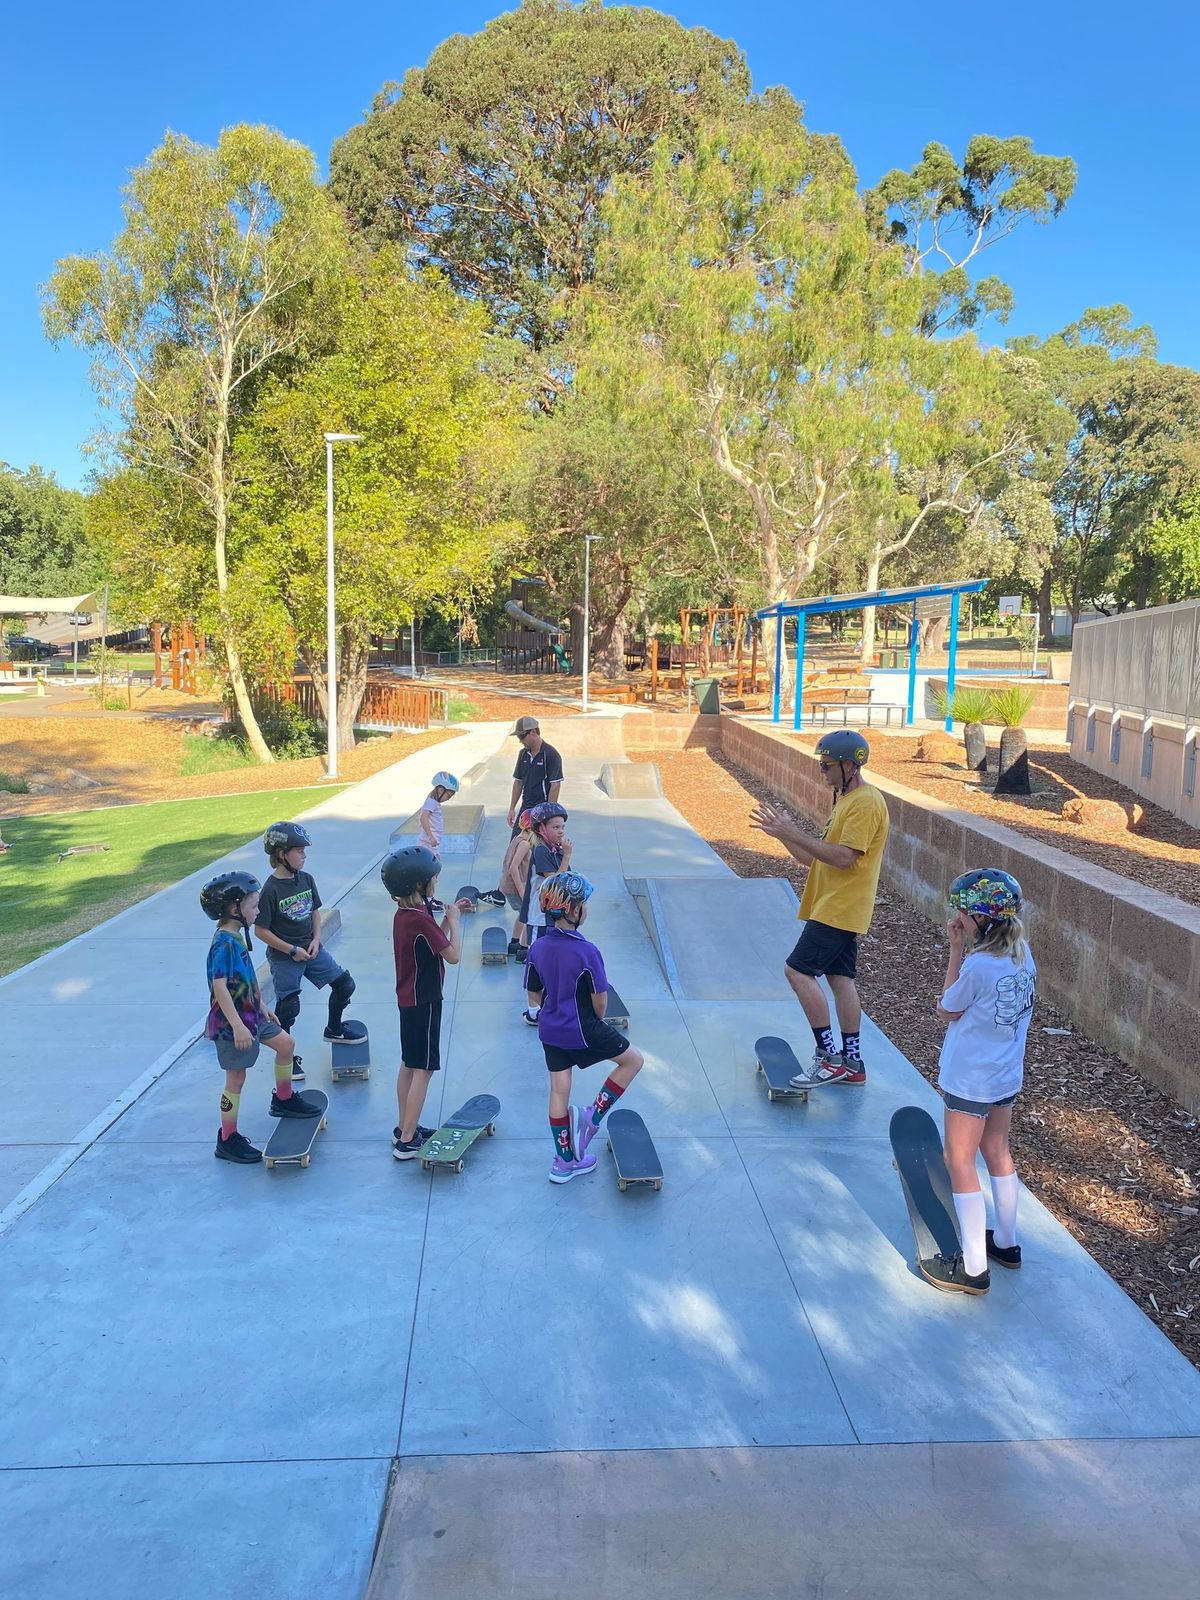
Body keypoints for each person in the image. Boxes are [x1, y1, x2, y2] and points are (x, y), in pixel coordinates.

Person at [750, 729, 889, 1085]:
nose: (821, 771)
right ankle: (853, 1063)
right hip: (833, 905)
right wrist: (783, 833)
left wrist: (795, 833)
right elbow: (813, 859)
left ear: (849, 765)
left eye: (826, 765)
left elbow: (843, 858)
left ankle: (829, 1058)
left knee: (797, 972)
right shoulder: (845, 801)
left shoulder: (866, 802)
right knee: (841, 979)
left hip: (839, 908)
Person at [926, 868, 1036, 1296]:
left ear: (984, 920)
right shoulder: (1023, 955)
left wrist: (955, 951)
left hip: (970, 1080)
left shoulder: (978, 965)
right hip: (1005, 1075)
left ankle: (972, 1269)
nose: (959, 918)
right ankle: (1006, 1244)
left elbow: (948, 1009)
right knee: (996, 1150)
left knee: (959, 1160)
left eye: (965, 913)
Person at [525, 871, 644, 1184]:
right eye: (583, 904)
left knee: (558, 1090)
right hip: (583, 1027)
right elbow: (600, 1001)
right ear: (574, 911)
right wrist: (594, 1023)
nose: (586, 909)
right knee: (633, 1061)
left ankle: (564, 1162)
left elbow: (533, 994)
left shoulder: (537, 947)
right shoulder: (587, 951)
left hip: (549, 1029)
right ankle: (593, 1117)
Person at [201, 869, 323, 1164]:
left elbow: (246, 977)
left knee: (286, 1045)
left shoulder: (237, 937)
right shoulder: (223, 943)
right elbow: (219, 988)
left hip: (253, 1015)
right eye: (253, 906)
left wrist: (261, 1004)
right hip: (234, 1024)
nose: (258, 911)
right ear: (234, 909)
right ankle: (227, 1139)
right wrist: (238, 1026)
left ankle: (283, 1100)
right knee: (236, 1079)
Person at [253, 822, 358, 1079]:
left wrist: (316, 939)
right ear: (281, 854)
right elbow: (261, 931)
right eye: (299, 851)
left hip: (311, 949)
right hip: (285, 957)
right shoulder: (270, 890)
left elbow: (314, 913)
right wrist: (291, 950)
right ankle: (286, 1056)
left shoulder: (306, 879)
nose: (304, 855)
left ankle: (334, 1029)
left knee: (345, 985)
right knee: (288, 1007)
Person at [383, 844, 464, 1160]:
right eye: (432, 878)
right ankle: (406, 1141)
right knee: (424, 1068)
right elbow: (453, 956)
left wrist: (443, 920)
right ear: (419, 884)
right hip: (426, 1000)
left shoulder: (407, 913)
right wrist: (455, 921)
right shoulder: (420, 917)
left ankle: (405, 1126)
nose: (436, 882)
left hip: (409, 1000)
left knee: (409, 1062)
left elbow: (434, 943)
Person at [519, 801, 572, 1022]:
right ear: (542, 828)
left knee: (552, 962)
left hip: (554, 917)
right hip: (539, 918)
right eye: (555, 827)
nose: (560, 831)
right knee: (537, 962)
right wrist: (567, 856)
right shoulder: (541, 850)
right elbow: (555, 882)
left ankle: (547, 1005)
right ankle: (534, 1010)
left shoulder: (555, 850)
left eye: (562, 827)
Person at [507, 716, 563, 837]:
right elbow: (518, 781)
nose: (520, 741)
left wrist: (549, 814)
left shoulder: (550, 754)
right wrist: (512, 808)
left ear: (533, 732)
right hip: (525, 808)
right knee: (515, 845)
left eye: (522, 736)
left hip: (542, 809)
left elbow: (555, 785)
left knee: (538, 849)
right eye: (518, 737)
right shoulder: (523, 754)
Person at [497, 806, 535, 961]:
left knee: (522, 915)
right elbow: (513, 867)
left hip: (508, 886)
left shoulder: (517, 839)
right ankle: (523, 951)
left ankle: (514, 944)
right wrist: (522, 891)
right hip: (515, 888)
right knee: (529, 917)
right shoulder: (525, 844)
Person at [417, 771, 460, 858]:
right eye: (448, 796)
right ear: (441, 790)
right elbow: (423, 818)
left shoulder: (434, 802)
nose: (448, 799)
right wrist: (431, 837)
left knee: (435, 863)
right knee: (433, 864)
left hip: (430, 843)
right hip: (427, 843)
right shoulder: (431, 802)